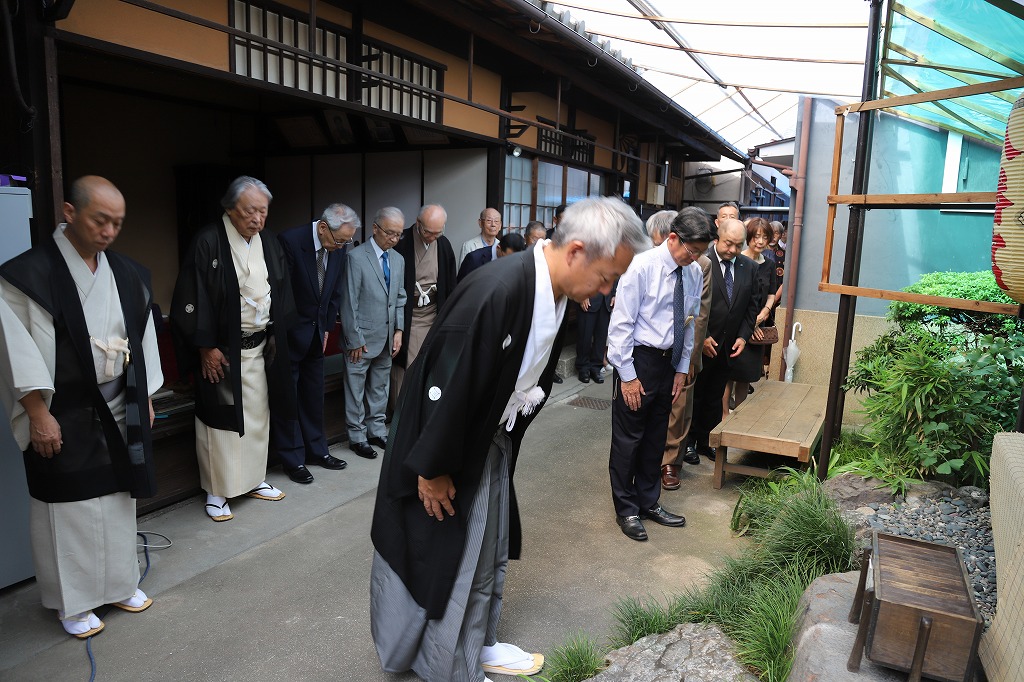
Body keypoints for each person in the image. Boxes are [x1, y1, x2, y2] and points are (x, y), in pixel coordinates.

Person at [369, 197, 648, 682]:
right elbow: (441, 385)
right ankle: (452, 666)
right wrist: (431, 469)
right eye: (606, 277)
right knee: (451, 560)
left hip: (489, 441)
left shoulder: (552, 293)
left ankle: (480, 642)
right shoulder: (496, 290)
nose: (606, 290)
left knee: (486, 550)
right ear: (576, 251)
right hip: (445, 449)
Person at [0, 176, 162, 637]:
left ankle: (119, 583)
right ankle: (73, 603)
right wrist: (37, 412)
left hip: (119, 401)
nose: (109, 232)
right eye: (100, 220)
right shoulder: (27, 275)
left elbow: (143, 337)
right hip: (61, 408)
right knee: (68, 507)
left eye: (117, 223)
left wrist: (145, 396)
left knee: (117, 498)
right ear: (69, 212)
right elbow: (14, 351)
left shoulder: (127, 273)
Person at [171, 176, 295, 522]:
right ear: (229, 208)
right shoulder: (209, 240)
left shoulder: (268, 241)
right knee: (221, 422)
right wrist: (205, 346)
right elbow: (193, 294)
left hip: (257, 347)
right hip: (222, 351)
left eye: (263, 211)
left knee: (256, 417)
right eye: (250, 211)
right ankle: (217, 489)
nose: (257, 219)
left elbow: (280, 289)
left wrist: (276, 334)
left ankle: (253, 479)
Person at [606, 207, 713, 541]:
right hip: (639, 360)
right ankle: (627, 509)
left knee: (656, 437)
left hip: (669, 362)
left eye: (700, 253)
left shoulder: (692, 272)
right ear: (673, 238)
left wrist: (681, 369)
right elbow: (620, 325)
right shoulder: (641, 267)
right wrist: (627, 376)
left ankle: (648, 501)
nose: (694, 258)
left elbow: (689, 324)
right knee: (629, 439)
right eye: (691, 251)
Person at [271, 204, 358, 485]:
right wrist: (285, 333)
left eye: (346, 242)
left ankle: (317, 451)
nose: (341, 247)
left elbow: (334, 291)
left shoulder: (338, 246)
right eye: (339, 241)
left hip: (317, 332)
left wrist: (327, 328)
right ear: (323, 228)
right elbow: (281, 293)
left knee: (313, 395)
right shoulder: (290, 241)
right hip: (290, 333)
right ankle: (292, 458)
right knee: (288, 398)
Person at [687, 218, 761, 461]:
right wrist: (703, 337)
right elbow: (692, 304)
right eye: (728, 243)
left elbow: (752, 307)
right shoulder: (700, 261)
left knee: (715, 395)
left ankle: (706, 441)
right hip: (704, 343)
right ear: (717, 238)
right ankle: (688, 442)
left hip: (729, 346)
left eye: (738, 245)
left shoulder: (749, 267)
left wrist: (743, 337)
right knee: (695, 394)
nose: (732, 250)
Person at [340, 207, 407, 460]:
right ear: (375, 228)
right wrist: (354, 339)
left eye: (399, 234)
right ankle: (357, 436)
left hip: (388, 336)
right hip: (360, 339)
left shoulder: (398, 259)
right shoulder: (356, 257)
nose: (394, 239)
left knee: (380, 387)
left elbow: (400, 298)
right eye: (390, 233)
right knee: (355, 389)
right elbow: (349, 303)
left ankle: (376, 430)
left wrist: (399, 330)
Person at [661, 211, 715, 490]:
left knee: (680, 407)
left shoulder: (701, 265)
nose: (694, 256)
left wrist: (692, 358)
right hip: (655, 348)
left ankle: (671, 462)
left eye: (698, 251)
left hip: (685, 346)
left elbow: (699, 314)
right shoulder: (649, 263)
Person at [392, 205, 457, 411]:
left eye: (438, 233)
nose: (432, 237)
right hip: (407, 314)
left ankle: (427, 410)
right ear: (418, 224)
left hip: (433, 312)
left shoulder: (443, 244)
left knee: (433, 362)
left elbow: (450, 283)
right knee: (405, 363)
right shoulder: (401, 241)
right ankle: (402, 411)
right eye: (428, 232)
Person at [723, 218, 777, 418]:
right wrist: (749, 325)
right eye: (756, 236)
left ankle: (739, 417)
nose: (760, 241)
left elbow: (771, 294)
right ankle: (723, 416)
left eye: (765, 237)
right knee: (727, 375)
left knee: (745, 376)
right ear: (748, 238)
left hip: (758, 328)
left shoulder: (769, 265)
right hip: (737, 326)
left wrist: (765, 312)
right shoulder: (738, 260)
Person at [457, 232, 526, 283]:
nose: (510, 261)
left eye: (513, 258)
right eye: (507, 257)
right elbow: (461, 286)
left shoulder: (520, 262)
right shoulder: (474, 258)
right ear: (498, 247)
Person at [457, 207, 502, 272]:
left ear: (500, 225)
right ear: (480, 223)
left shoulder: (501, 246)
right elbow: (463, 273)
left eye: (496, 221)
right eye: (489, 220)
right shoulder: (469, 246)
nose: (493, 225)